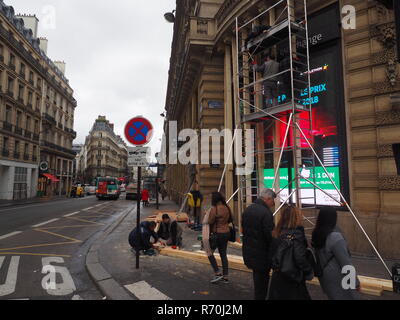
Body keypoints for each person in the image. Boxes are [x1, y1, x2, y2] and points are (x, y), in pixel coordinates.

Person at [311, 208, 360, 300]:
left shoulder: (316, 234)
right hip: (340, 277)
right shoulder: (335, 237)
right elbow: (345, 262)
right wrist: (355, 282)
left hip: (325, 277)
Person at [269, 205, 313, 300]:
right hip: (293, 276)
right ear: (296, 217)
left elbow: (272, 254)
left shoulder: (277, 232)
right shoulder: (297, 234)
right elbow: (299, 258)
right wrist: (308, 271)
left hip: (278, 276)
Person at [242, 189, 276, 300]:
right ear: (267, 199)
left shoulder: (248, 210)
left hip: (250, 252)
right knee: (262, 286)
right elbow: (269, 236)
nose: (273, 203)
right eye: (273, 200)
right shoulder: (266, 213)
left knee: (258, 282)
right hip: (262, 254)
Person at [206, 192, 233, 284]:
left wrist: (207, 215)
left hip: (218, 234)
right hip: (227, 233)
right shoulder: (227, 207)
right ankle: (226, 276)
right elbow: (230, 219)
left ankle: (217, 272)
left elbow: (210, 221)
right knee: (223, 254)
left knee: (210, 253)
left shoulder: (215, 209)